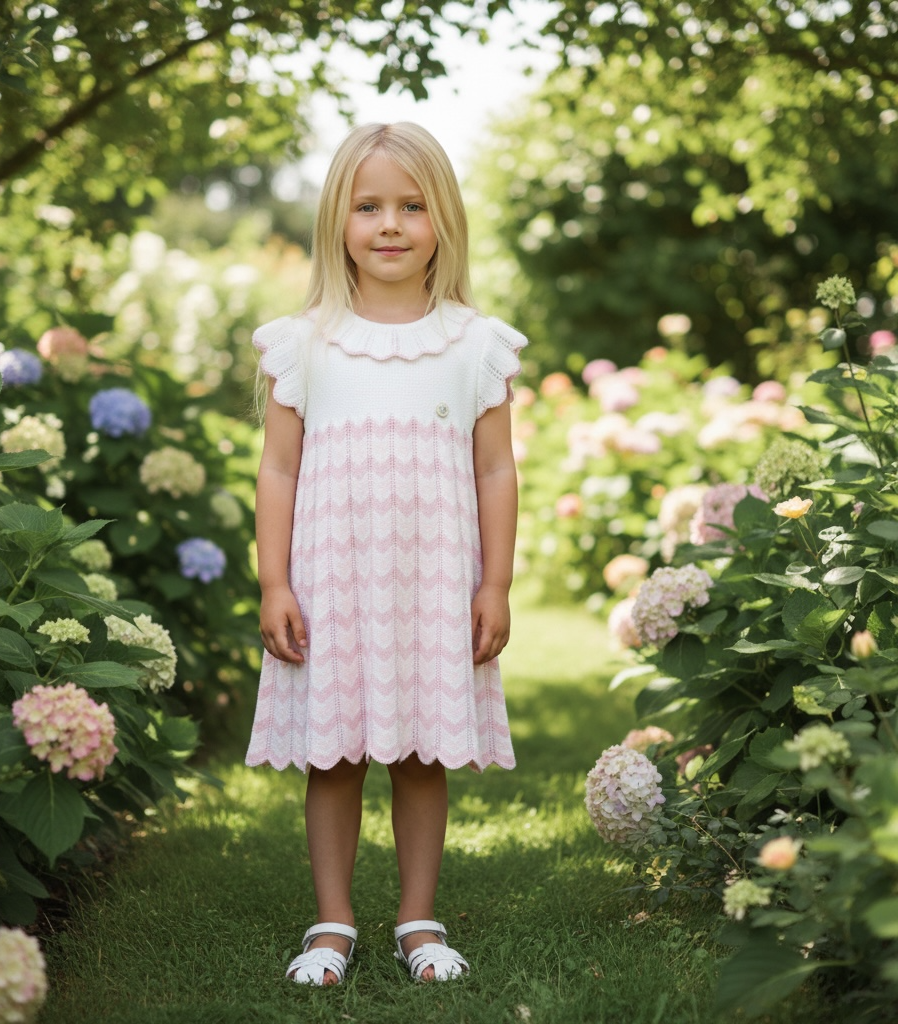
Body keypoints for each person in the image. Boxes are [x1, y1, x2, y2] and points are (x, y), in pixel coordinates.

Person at [246, 122, 525, 986]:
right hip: (332, 580)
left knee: (418, 753)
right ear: (339, 219)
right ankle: (331, 924)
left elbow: (494, 467)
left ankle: (419, 920)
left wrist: (497, 583)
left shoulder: (474, 344)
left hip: (431, 581)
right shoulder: (305, 342)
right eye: (369, 206)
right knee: (333, 757)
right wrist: (274, 580)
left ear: (444, 220)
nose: (391, 224)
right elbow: (280, 465)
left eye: (412, 206)